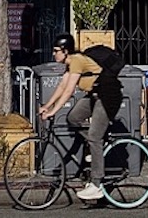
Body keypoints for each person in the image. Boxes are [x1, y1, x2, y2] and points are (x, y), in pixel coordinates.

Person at [38, 34, 121, 202]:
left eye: (56, 51)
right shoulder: (70, 64)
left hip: (107, 97)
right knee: (73, 118)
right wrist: (47, 105)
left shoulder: (76, 60)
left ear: (65, 51)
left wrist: (53, 112)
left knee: (94, 137)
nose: (54, 54)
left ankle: (97, 185)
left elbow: (68, 91)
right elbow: (62, 86)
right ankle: (97, 143)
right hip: (95, 96)